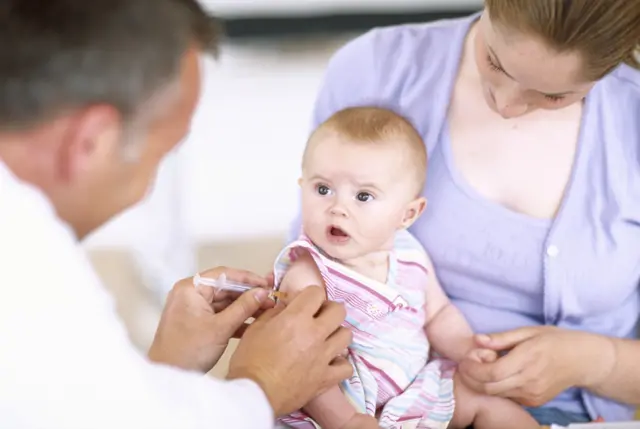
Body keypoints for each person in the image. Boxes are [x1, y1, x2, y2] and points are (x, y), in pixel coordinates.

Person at [0, 1, 353, 428]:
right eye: (159, 157)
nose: (146, 189)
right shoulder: (26, 270)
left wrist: (169, 368)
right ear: (91, 142)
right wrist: (260, 387)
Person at [289, 0, 640, 426]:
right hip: (370, 405)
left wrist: (598, 362)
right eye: (494, 62)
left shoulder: (630, 117)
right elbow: (309, 283)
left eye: (554, 95)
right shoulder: (378, 69)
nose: (506, 105)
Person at [273, 106, 539, 429]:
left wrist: (468, 350)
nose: (338, 208)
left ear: (407, 214)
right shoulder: (308, 274)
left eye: (363, 196)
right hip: (343, 406)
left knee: (488, 403)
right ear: (302, 187)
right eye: (323, 189)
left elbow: (439, 314)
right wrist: (343, 420)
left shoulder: (410, 255)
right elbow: (303, 363)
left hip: (416, 391)